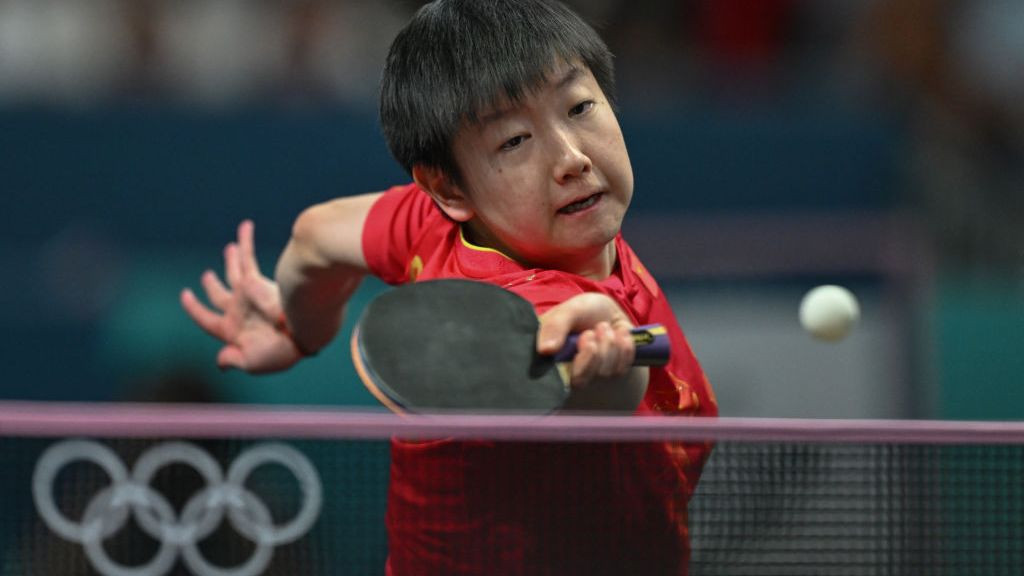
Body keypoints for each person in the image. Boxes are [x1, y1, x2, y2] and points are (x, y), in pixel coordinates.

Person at [181, 0, 717, 574]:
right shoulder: (513, 313)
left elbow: (315, 237)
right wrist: (606, 340)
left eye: (580, 106)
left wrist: (300, 328)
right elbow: (594, 391)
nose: (571, 157)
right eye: (514, 141)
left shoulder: (433, 224)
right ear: (448, 187)